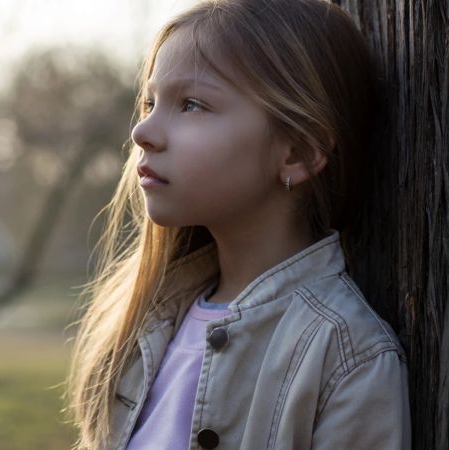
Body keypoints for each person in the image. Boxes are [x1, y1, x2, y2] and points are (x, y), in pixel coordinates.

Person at [64, 0, 411, 449]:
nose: (142, 131)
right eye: (151, 102)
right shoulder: (147, 322)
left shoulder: (347, 359)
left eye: (191, 104)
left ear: (298, 153)